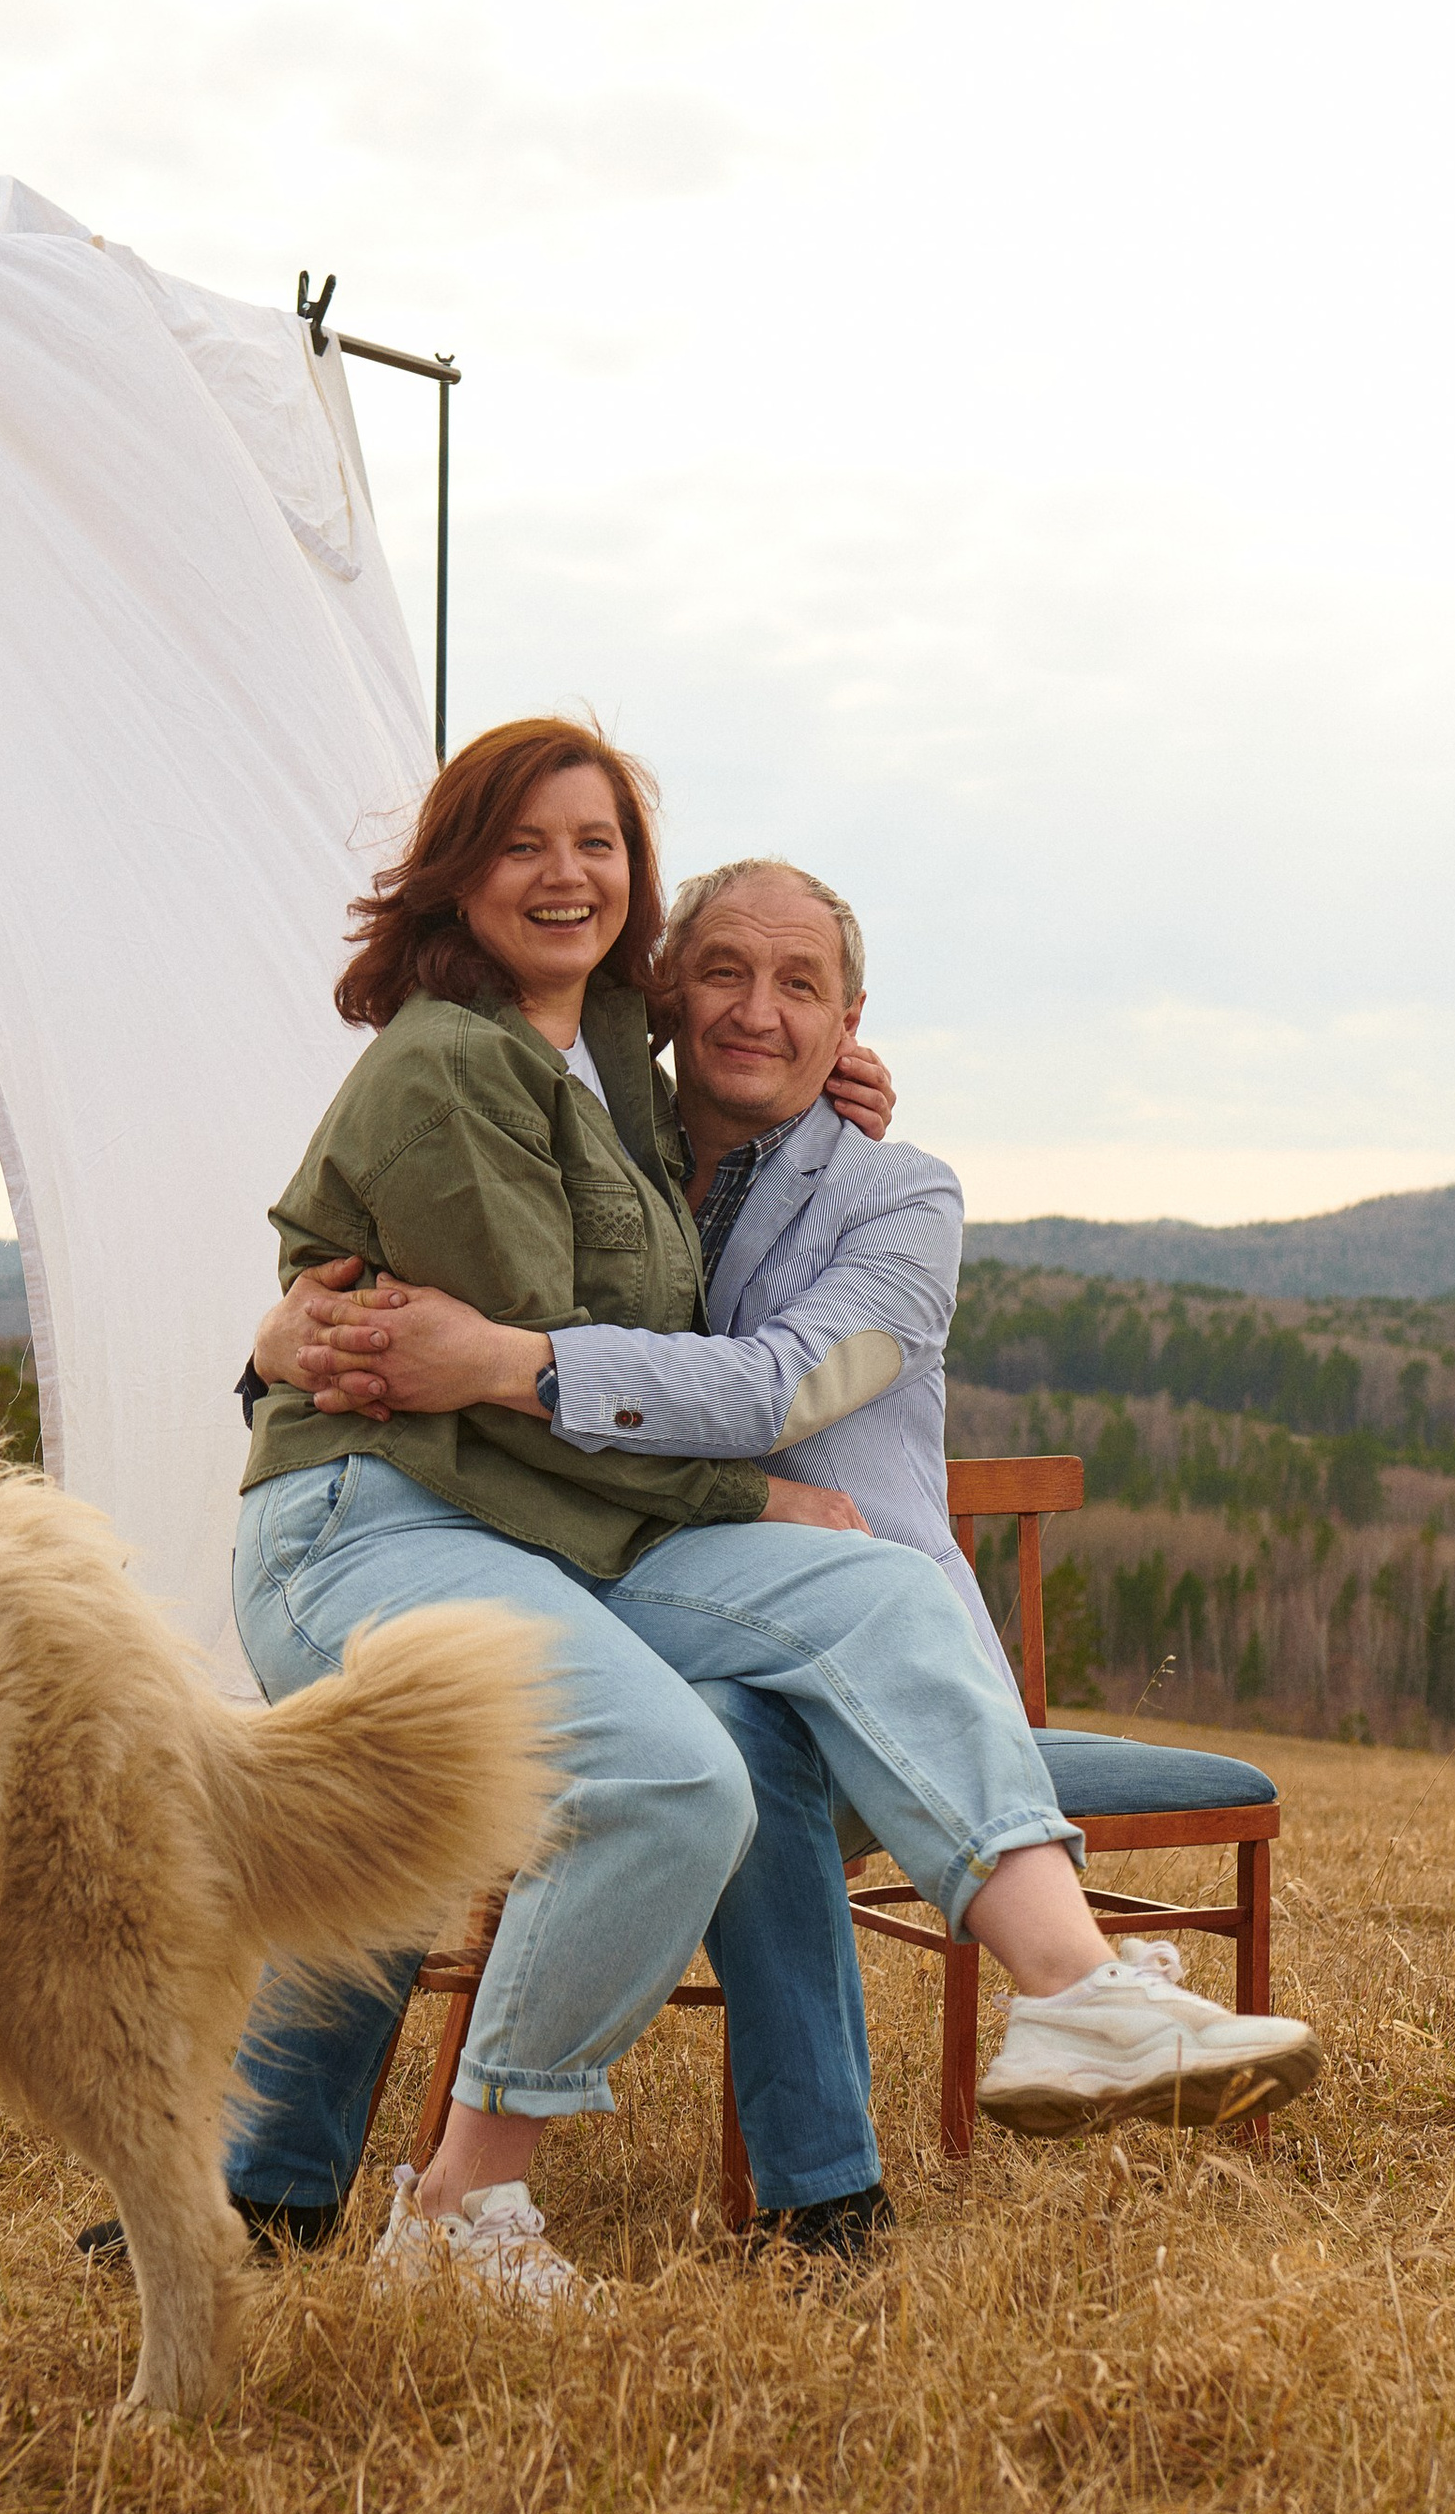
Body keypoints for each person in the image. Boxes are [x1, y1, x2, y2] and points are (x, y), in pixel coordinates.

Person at [218, 719, 1319, 2306]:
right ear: (666, 990)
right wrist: (277, 1353)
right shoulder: (534, 1081)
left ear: (850, 1019)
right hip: (532, 1534)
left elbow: (779, 1383)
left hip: (788, 1629)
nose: (759, 1010)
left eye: (803, 989)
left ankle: (1071, 1995)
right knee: (693, 1749)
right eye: (723, 974)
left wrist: (541, 1373)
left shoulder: (883, 1187)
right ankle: (385, 2200)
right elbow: (405, 1348)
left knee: (844, 1627)